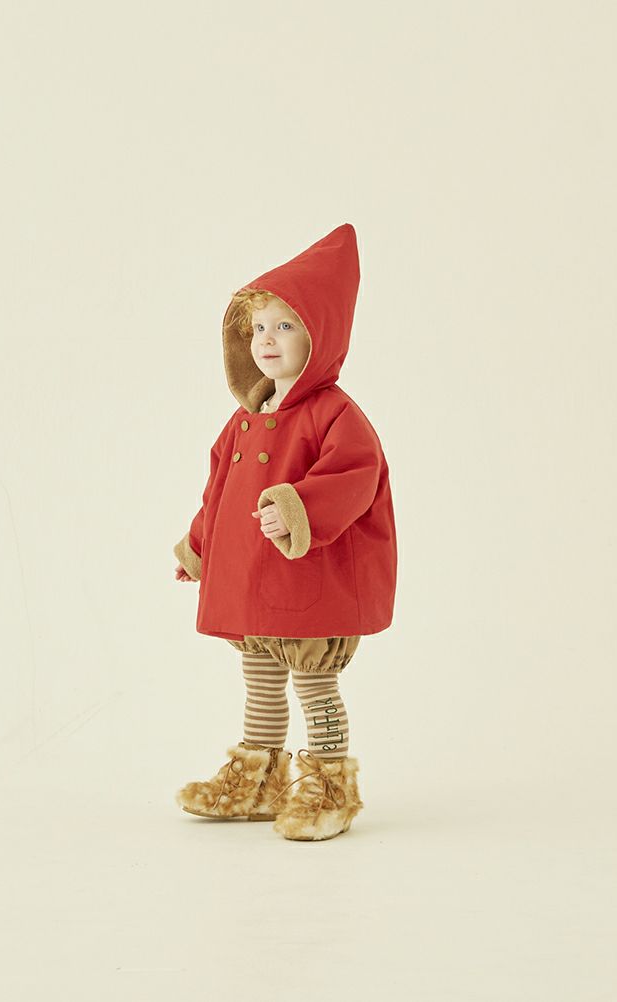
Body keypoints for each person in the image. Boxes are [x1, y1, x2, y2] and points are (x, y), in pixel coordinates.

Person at [171, 222, 397, 841]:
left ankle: (328, 786)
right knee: (261, 680)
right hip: (254, 577)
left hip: (307, 577)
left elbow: (355, 476)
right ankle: (258, 781)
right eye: (258, 328)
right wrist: (199, 545)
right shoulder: (245, 419)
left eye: (286, 326)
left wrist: (299, 508)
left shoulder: (336, 415)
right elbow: (219, 490)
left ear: (320, 335)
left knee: (314, 681)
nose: (267, 340)